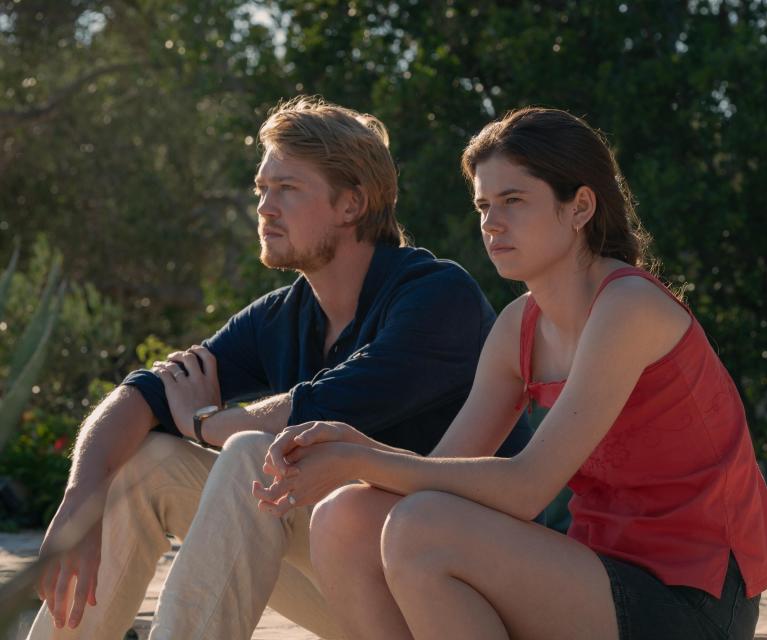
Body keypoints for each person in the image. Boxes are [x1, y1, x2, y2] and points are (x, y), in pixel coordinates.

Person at [254, 107, 767, 640]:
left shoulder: (627, 305)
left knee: (421, 530)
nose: (492, 223)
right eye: (483, 205)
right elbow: (440, 473)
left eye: (514, 201)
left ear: (580, 206)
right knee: (345, 519)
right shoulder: (518, 327)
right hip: (591, 574)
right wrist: (356, 447)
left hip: (690, 600)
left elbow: (525, 488)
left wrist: (360, 457)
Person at [28, 96, 531, 639]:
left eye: (288, 189)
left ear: (351, 204)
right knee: (148, 464)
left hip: (451, 597)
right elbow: (145, 392)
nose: (265, 207)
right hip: (351, 579)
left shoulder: (435, 296)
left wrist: (203, 421)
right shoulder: (284, 314)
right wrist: (80, 500)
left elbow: (319, 409)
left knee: (251, 454)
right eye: (262, 189)